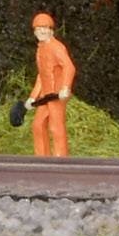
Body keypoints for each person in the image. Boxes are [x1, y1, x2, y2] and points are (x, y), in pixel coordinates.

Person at [28, 12, 76, 159]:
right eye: (38, 28)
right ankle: (42, 158)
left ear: (51, 30)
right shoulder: (40, 49)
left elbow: (69, 67)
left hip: (56, 95)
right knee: (38, 125)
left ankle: (61, 158)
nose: (42, 31)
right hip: (45, 95)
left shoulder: (56, 47)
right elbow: (41, 76)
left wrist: (65, 88)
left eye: (45, 28)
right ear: (35, 32)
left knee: (56, 127)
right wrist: (32, 97)